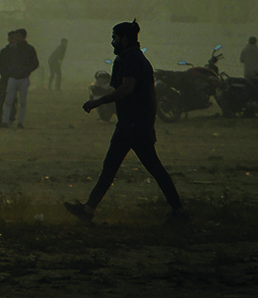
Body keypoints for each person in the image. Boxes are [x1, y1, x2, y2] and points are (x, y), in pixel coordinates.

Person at [64, 21, 187, 226]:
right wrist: (152, 124)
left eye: (115, 38)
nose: (112, 42)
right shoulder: (139, 59)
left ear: (124, 39)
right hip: (133, 125)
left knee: (149, 168)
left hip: (133, 125)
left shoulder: (129, 60)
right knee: (113, 168)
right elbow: (151, 94)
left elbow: (127, 88)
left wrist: (98, 101)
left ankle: (179, 212)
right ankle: (87, 210)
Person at [0, 29, 39, 128]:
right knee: (9, 100)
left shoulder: (29, 49)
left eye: (18, 36)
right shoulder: (13, 49)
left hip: (23, 78)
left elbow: (35, 63)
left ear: (23, 37)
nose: (16, 38)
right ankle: (5, 121)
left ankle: (20, 122)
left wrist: (27, 71)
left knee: (22, 101)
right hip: (13, 77)